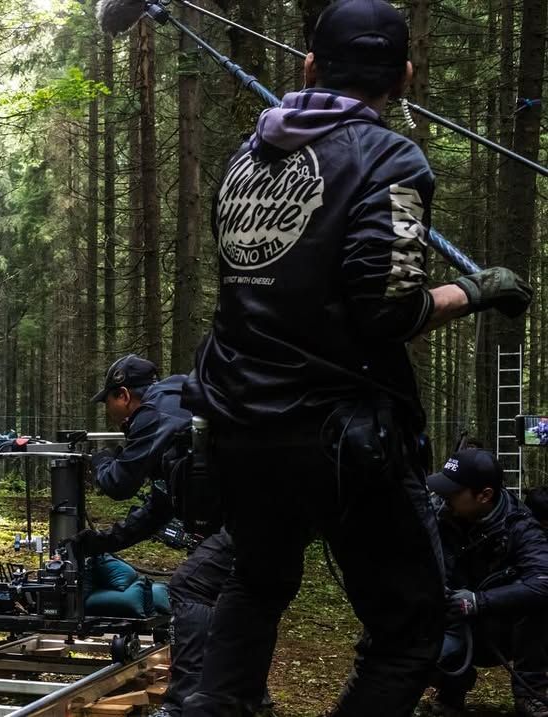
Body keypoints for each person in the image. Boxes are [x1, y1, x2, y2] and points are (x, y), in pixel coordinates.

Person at [185, 0, 533, 714]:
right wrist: (473, 289)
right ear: (405, 76)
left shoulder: (245, 157)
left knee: (257, 580)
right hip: (341, 438)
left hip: (240, 426)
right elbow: (387, 311)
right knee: (411, 627)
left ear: (311, 66)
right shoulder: (392, 158)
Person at [66, 355, 269, 716]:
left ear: (124, 394)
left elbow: (117, 484)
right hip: (267, 511)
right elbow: (157, 509)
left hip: (254, 515)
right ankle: (250, 699)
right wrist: (103, 542)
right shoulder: (182, 419)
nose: (110, 413)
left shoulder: (156, 413)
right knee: (237, 600)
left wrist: (98, 461)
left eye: (109, 402)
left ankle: (181, 705)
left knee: (190, 587)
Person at [428, 449, 548, 716]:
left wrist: (478, 602)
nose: (443, 499)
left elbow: (543, 582)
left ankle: (532, 692)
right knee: (405, 641)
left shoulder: (521, 527)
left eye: (453, 493)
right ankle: (452, 687)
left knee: (535, 604)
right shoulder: (436, 516)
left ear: (484, 495)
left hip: (500, 630)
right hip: (449, 621)